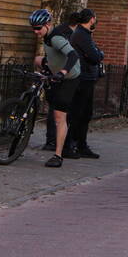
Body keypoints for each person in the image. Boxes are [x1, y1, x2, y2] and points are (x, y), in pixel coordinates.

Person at [29, 9, 81, 167]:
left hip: (69, 76)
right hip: (56, 71)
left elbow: (73, 55)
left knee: (59, 117)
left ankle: (58, 155)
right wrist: (46, 68)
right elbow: (51, 56)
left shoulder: (56, 38)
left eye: (38, 28)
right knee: (37, 60)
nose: (35, 31)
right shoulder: (46, 36)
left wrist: (63, 72)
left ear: (48, 25)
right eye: (33, 28)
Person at [69, 8, 104, 159]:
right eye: (95, 18)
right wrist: (99, 54)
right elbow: (95, 55)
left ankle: (80, 144)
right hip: (83, 78)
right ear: (91, 19)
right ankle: (73, 144)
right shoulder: (82, 35)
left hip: (87, 77)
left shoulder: (83, 34)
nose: (95, 21)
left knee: (85, 113)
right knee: (79, 113)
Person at [43, 13, 79, 151]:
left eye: (38, 28)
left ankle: (54, 144)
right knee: (62, 112)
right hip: (64, 75)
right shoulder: (61, 35)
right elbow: (73, 55)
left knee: (57, 111)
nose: (35, 31)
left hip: (62, 74)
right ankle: (61, 146)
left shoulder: (56, 34)